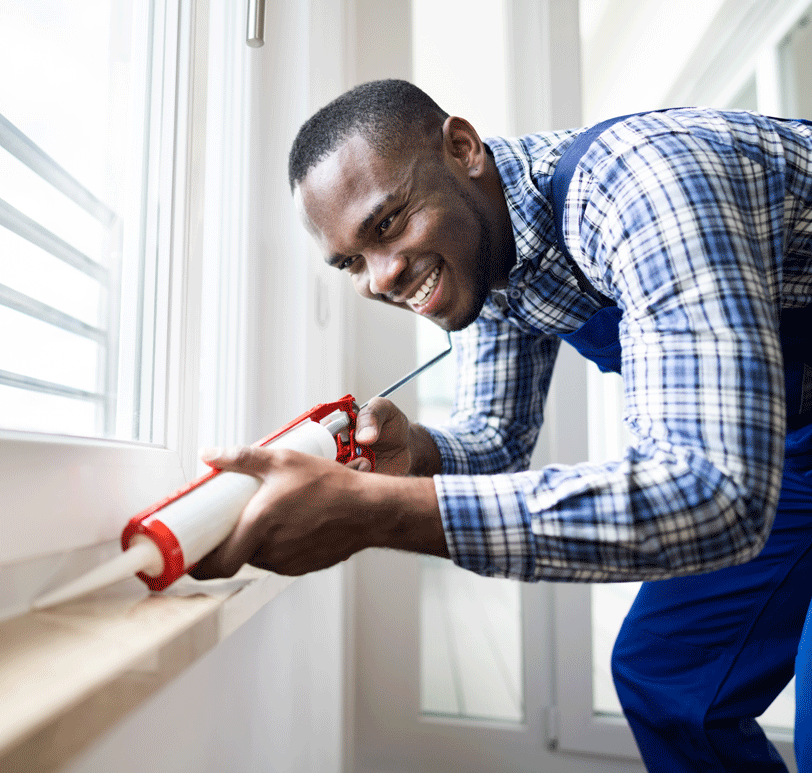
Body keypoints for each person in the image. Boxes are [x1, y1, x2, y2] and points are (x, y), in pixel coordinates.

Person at [188, 79, 812, 771]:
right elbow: (497, 436)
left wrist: (378, 515)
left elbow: (716, 494)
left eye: (387, 225)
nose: (382, 279)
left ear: (462, 149)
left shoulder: (642, 185)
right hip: (784, 438)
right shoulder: (487, 258)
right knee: (670, 680)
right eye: (352, 263)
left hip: (743, 463)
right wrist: (418, 453)